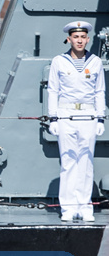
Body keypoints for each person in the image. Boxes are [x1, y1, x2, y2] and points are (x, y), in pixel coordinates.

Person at [47, 21, 105, 222]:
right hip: (66, 114)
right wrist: (53, 118)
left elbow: (99, 91)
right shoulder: (59, 61)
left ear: (87, 39)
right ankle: (69, 207)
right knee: (68, 161)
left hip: (88, 115)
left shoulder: (95, 62)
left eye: (82, 37)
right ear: (69, 39)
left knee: (86, 161)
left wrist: (100, 118)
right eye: (75, 37)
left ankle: (84, 205)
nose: (79, 40)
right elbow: (53, 90)